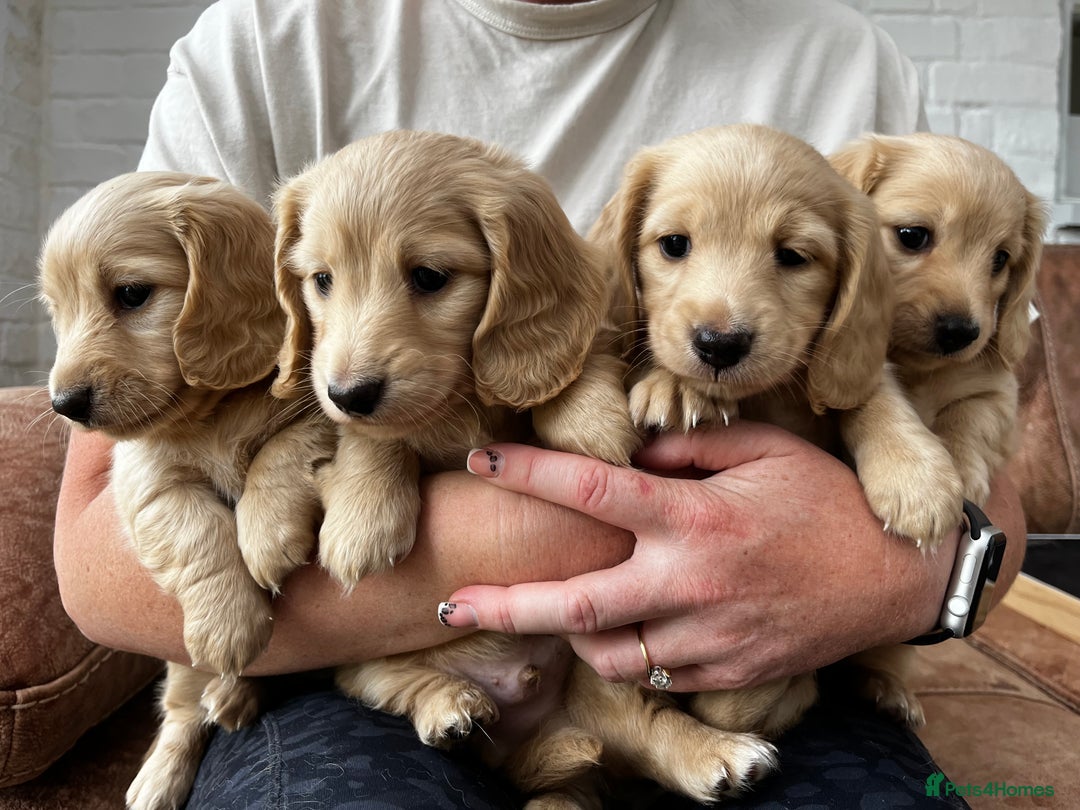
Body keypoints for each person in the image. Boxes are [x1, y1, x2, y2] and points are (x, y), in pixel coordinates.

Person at [53, 0, 1025, 806]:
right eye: (674, 247)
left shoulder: (844, 59)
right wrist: (562, 541)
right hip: (376, 680)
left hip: (769, 668)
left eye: (430, 277)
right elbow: (99, 558)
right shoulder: (269, 41)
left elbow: (984, 503)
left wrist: (886, 578)